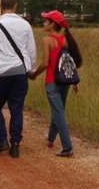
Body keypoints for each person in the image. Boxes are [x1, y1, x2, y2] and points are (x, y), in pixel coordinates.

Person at [0, 0, 36, 159]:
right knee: (16, 108)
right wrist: (31, 68)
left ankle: (2, 140)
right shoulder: (25, 25)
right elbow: (31, 50)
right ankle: (16, 144)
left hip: (1, 73)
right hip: (20, 72)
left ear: (0, 6)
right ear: (16, 6)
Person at [30, 10, 83, 158]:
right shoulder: (66, 39)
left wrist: (34, 74)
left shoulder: (47, 40)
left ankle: (67, 148)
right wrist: (74, 82)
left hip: (52, 82)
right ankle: (51, 139)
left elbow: (45, 63)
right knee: (58, 110)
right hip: (64, 81)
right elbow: (70, 62)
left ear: (53, 24)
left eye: (46, 21)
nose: (44, 23)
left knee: (58, 113)